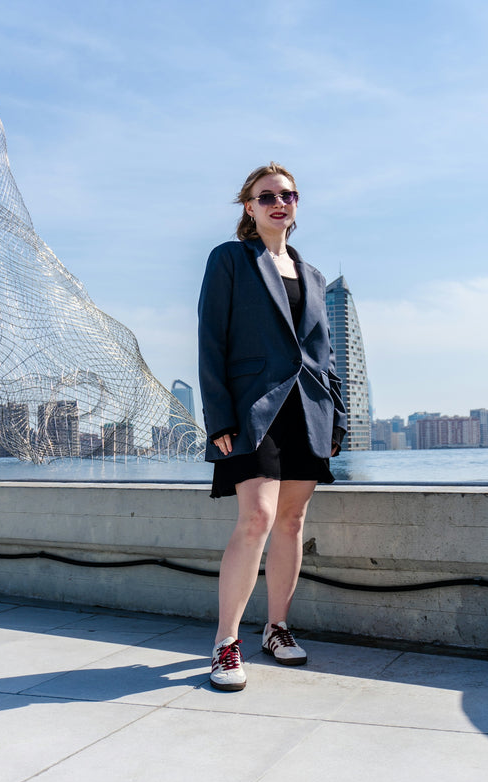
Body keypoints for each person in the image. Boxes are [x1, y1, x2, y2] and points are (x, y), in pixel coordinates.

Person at [198, 162, 346, 691]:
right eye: (267, 197)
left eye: (288, 195)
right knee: (256, 519)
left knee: (289, 523)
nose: (279, 203)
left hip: (308, 411)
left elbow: (324, 356)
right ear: (249, 207)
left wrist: (337, 417)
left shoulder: (314, 276)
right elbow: (211, 339)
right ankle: (225, 643)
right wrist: (218, 416)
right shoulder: (230, 259)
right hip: (251, 410)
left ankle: (277, 629)